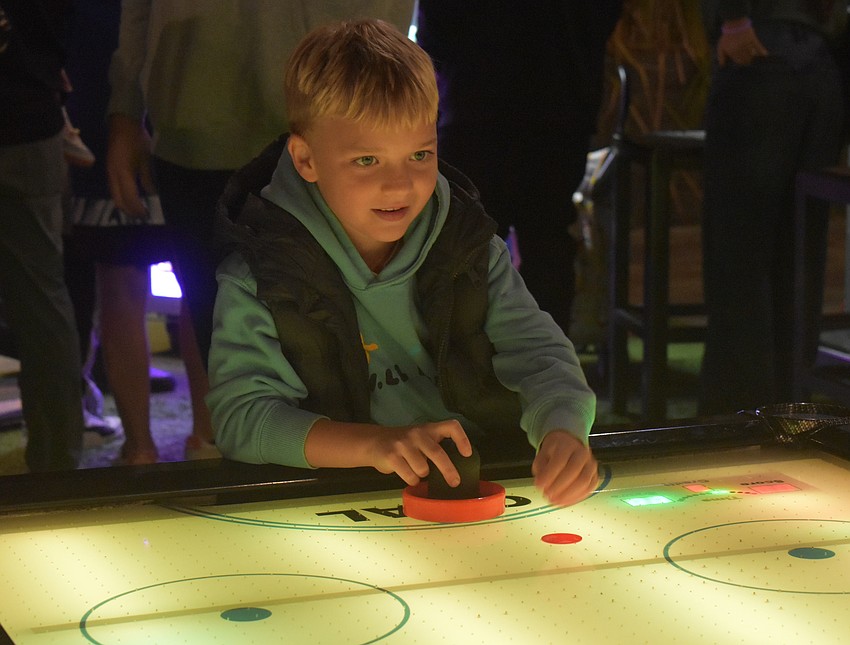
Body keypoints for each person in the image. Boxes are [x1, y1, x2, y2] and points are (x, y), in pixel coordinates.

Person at [207, 19, 598, 507]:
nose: (399, 185)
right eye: (367, 160)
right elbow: (242, 418)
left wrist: (562, 430)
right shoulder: (258, 277)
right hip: (332, 497)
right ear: (305, 159)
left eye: (419, 154)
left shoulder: (471, 248)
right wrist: (374, 445)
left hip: (478, 483)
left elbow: (544, 358)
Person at [106, 1, 416, 371]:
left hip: (327, 125)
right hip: (193, 123)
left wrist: (377, 89)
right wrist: (125, 106)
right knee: (227, 364)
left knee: (345, 363)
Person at [63, 0, 217, 464]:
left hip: (115, 91)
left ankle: (145, 446)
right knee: (195, 280)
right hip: (172, 92)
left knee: (139, 280)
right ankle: (198, 440)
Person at [414, 1, 623, 335]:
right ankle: (547, 374)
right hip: (561, 97)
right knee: (548, 238)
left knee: (468, 244)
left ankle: (469, 372)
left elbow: (435, 30)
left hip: (476, 98)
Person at [699, 0, 847, 415]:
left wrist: (733, 19)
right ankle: (787, 409)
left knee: (739, 256)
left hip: (761, 52)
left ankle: (738, 416)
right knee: (798, 255)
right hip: (819, 59)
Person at [0, 0, 84, 471]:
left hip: (30, 113)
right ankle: (58, 470)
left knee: (45, 310)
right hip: (30, 116)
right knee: (43, 308)